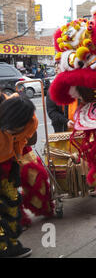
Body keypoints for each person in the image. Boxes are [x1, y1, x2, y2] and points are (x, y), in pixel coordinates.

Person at [0, 94, 37, 258]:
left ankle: (13, 246)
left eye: (14, 129)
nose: (9, 132)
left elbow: (21, 141)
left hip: (8, 163)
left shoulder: (31, 121)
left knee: (12, 205)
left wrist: (16, 161)